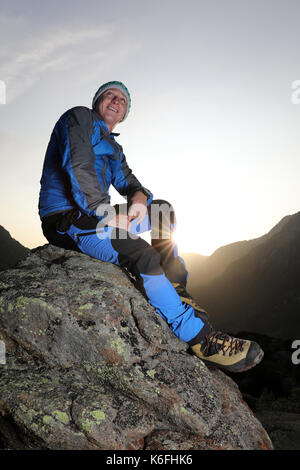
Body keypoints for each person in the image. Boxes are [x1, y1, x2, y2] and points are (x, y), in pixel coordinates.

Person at [39, 80, 264, 373]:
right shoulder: (80, 117)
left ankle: (174, 283)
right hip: (66, 217)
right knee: (141, 253)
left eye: (122, 100)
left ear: (124, 115)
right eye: (110, 94)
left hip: (96, 212)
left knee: (161, 211)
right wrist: (104, 211)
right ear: (97, 101)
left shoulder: (114, 148)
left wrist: (138, 198)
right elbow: (78, 164)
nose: (116, 100)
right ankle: (201, 339)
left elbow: (131, 182)